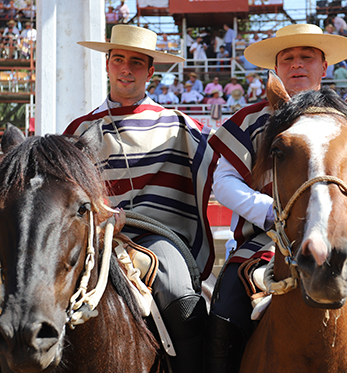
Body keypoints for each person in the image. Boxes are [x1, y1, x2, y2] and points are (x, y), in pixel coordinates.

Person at [206, 23, 347, 373]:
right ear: (277, 68)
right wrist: (270, 213)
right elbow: (222, 179)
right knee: (227, 308)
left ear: (323, 67)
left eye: (307, 57)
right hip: (265, 242)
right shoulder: (252, 119)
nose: (297, 64)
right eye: (288, 58)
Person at [63, 25, 216, 373]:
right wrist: (98, 212)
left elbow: (224, 172)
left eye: (135, 62)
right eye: (118, 59)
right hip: (95, 239)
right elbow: (66, 194)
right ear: (107, 65)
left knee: (179, 295)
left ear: (150, 71)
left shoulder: (180, 126)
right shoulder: (79, 131)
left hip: (157, 237)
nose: (125, 69)